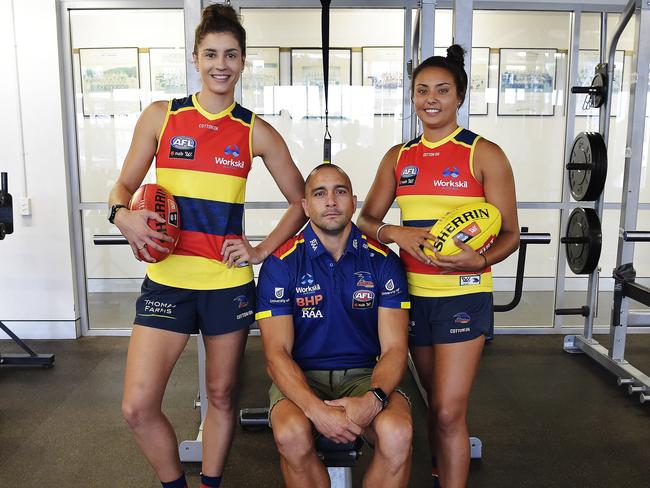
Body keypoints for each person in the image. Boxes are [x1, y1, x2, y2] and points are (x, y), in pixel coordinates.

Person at [107, 5, 306, 488]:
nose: (221, 64)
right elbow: (121, 189)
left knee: (221, 397)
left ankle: (210, 484)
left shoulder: (254, 129)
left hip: (226, 285)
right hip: (167, 283)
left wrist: (259, 251)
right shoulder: (163, 116)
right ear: (195, 58)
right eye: (211, 53)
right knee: (136, 406)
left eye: (231, 55)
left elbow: (302, 200)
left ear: (242, 62)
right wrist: (123, 216)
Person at [357, 45, 519, 488]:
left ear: (460, 97)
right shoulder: (399, 157)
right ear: (411, 97)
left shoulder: (483, 154)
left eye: (443, 90)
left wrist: (479, 258)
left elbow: (511, 235)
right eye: (422, 90)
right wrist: (397, 233)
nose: (431, 99)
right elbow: (366, 221)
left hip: (462, 296)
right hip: (411, 300)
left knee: (449, 410)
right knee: (433, 401)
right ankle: (440, 465)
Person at [256, 164, 413, 488]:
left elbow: (395, 349)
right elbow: (276, 354)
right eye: (319, 193)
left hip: (365, 375)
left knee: (397, 434)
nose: (331, 201)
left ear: (353, 202)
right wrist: (317, 411)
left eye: (340, 191)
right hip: (302, 376)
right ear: (305, 206)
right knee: (291, 434)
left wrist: (373, 398)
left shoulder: (383, 261)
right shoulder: (280, 265)